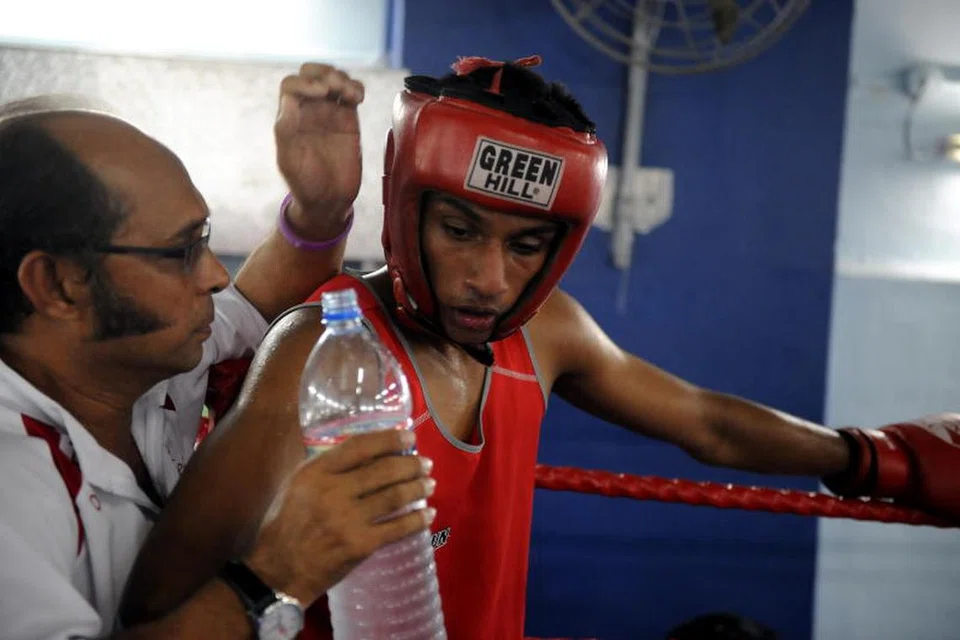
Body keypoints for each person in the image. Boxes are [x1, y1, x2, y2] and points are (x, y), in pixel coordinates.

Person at [122, 55, 960, 640]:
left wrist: (870, 456)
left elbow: (705, 422)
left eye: (526, 246)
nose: (490, 278)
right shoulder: (321, 350)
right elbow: (157, 603)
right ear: (407, 208)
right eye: (459, 230)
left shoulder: (546, 331)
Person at [0, 65, 437, 639]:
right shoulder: (13, 485)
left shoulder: (143, 355)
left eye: (204, 241)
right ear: (58, 285)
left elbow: (259, 299)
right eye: (181, 251)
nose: (212, 276)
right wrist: (277, 572)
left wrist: (321, 209)